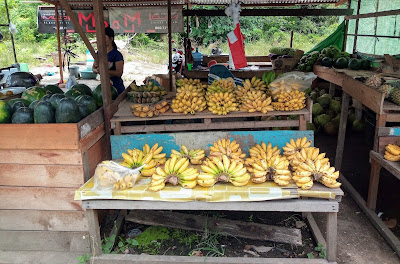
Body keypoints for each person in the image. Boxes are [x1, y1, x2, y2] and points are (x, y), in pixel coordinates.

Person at [92, 27, 125, 94]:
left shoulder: (117, 55)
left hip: (117, 89)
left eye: (104, 37)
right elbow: (93, 68)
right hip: (104, 88)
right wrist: (97, 70)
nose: (101, 40)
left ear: (111, 39)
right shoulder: (99, 53)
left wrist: (104, 71)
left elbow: (119, 73)